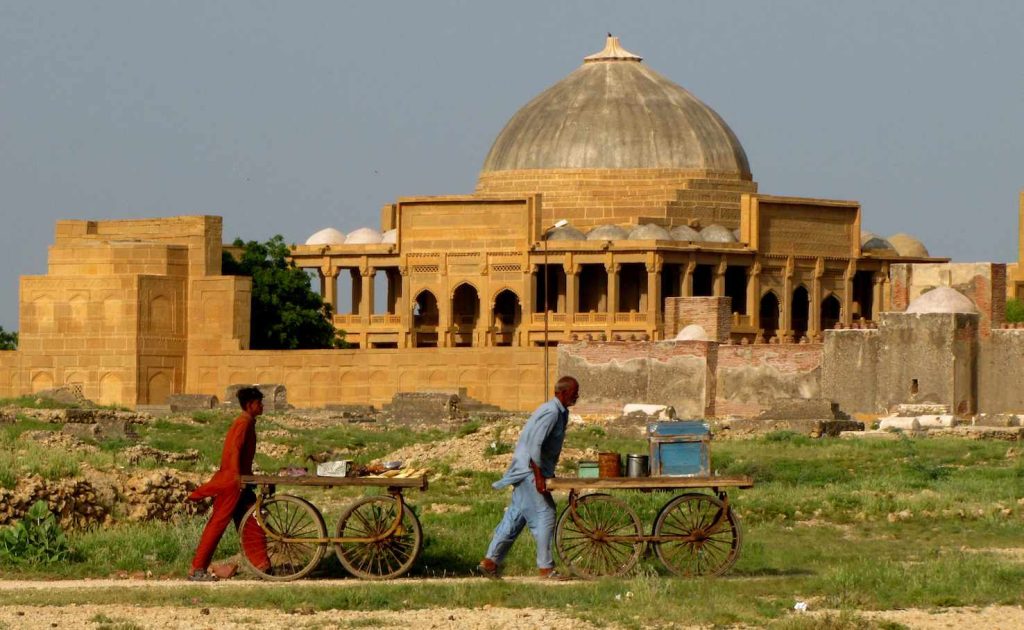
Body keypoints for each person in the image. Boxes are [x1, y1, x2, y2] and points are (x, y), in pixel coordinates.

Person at [478, 376, 579, 579]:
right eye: (574, 392)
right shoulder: (551, 412)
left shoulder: (560, 412)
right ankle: (546, 568)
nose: (577, 396)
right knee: (546, 513)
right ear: (562, 393)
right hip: (529, 471)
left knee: (515, 516)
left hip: (531, 470)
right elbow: (535, 445)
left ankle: (490, 562)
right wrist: (540, 477)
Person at [186, 387, 270, 581]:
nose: (262, 406)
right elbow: (234, 451)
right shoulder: (243, 423)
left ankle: (262, 565)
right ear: (250, 405)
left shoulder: (248, 422)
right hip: (232, 483)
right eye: (259, 403)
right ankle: (197, 569)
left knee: (253, 521)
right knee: (217, 524)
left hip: (241, 480)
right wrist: (236, 478)